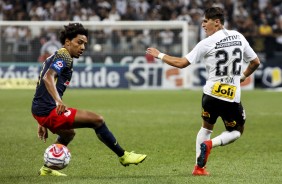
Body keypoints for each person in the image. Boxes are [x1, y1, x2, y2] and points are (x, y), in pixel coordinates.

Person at [146, 7, 260, 176]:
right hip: (231, 97)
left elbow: (182, 63)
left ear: (217, 22)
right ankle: (210, 145)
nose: (203, 25)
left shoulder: (207, 43)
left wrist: (160, 55)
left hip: (211, 95)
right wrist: (242, 77)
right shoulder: (239, 37)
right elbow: (255, 62)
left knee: (206, 129)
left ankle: (199, 168)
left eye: (206, 21)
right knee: (236, 132)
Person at [31, 23, 147, 176]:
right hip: (47, 110)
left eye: (85, 43)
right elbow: (48, 77)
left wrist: (42, 119)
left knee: (68, 134)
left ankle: (47, 169)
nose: (83, 47)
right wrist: (57, 103)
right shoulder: (64, 55)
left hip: (42, 109)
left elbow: (43, 82)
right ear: (67, 42)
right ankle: (123, 156)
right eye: (79, 42)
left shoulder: (59, 56)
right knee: (97, 120)